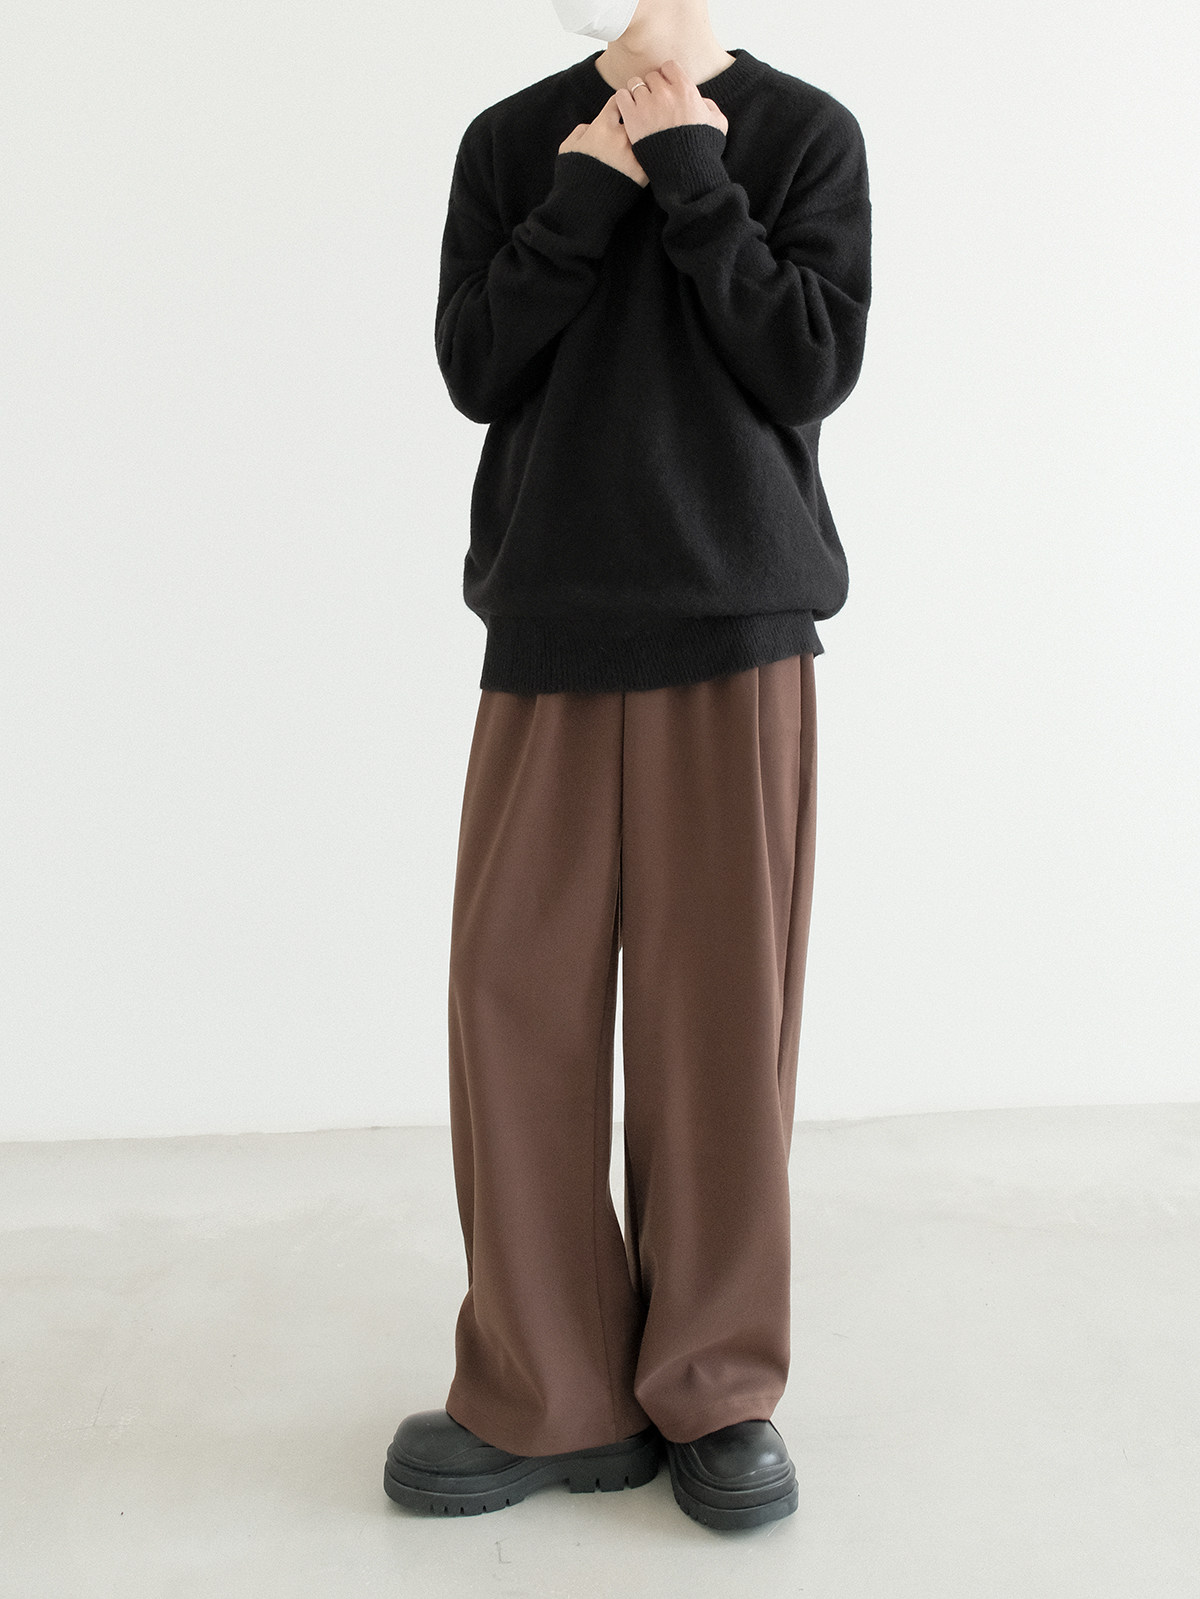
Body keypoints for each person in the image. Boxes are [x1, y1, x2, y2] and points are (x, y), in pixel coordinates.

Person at [383, 0, 871, 1531]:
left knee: (717, 1025)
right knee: (510, 1004)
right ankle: (551, 1389)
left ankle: (716, 1388)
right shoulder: (510, 141)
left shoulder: (805, 136)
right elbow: (476, 366)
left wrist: (693, 175)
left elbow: (807, 365)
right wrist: (586, 189)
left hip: (735, 627)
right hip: (551, 626)